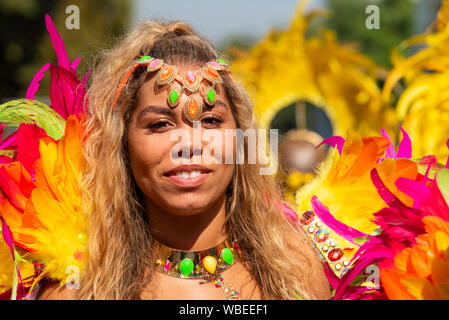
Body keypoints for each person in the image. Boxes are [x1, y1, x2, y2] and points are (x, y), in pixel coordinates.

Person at [23, 19, 330, 300]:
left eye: (210, 121)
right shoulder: (77, 288)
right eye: (159, 125)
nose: (189, 144)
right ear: (122, 145)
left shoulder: (294, 268)